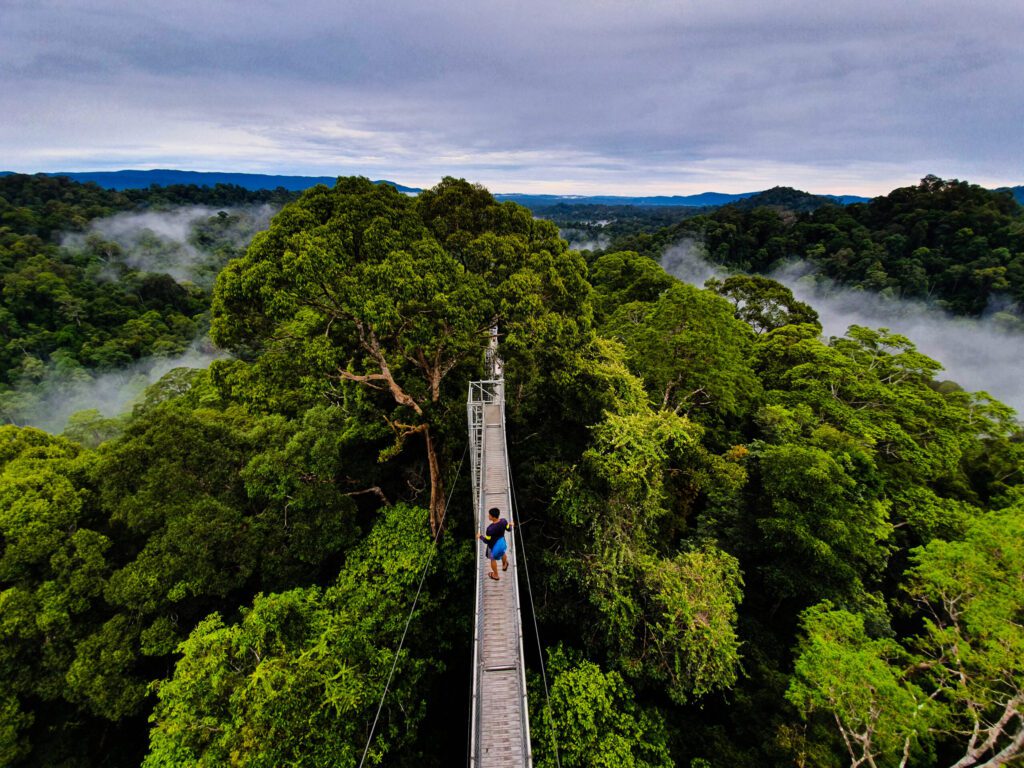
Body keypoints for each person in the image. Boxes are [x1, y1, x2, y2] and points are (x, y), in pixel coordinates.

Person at [478, 507, 512, 581]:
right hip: (502, 543)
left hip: (492, 547)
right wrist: (511, 525)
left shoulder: (490, 529)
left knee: (492, 559)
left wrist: (480, 536)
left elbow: (487, 541)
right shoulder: (504, 521)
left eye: (489, 515)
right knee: (503, 552)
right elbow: (509, 529)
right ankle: (504, 565)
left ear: (493, 517)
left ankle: (496, 575)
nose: (488, 516)